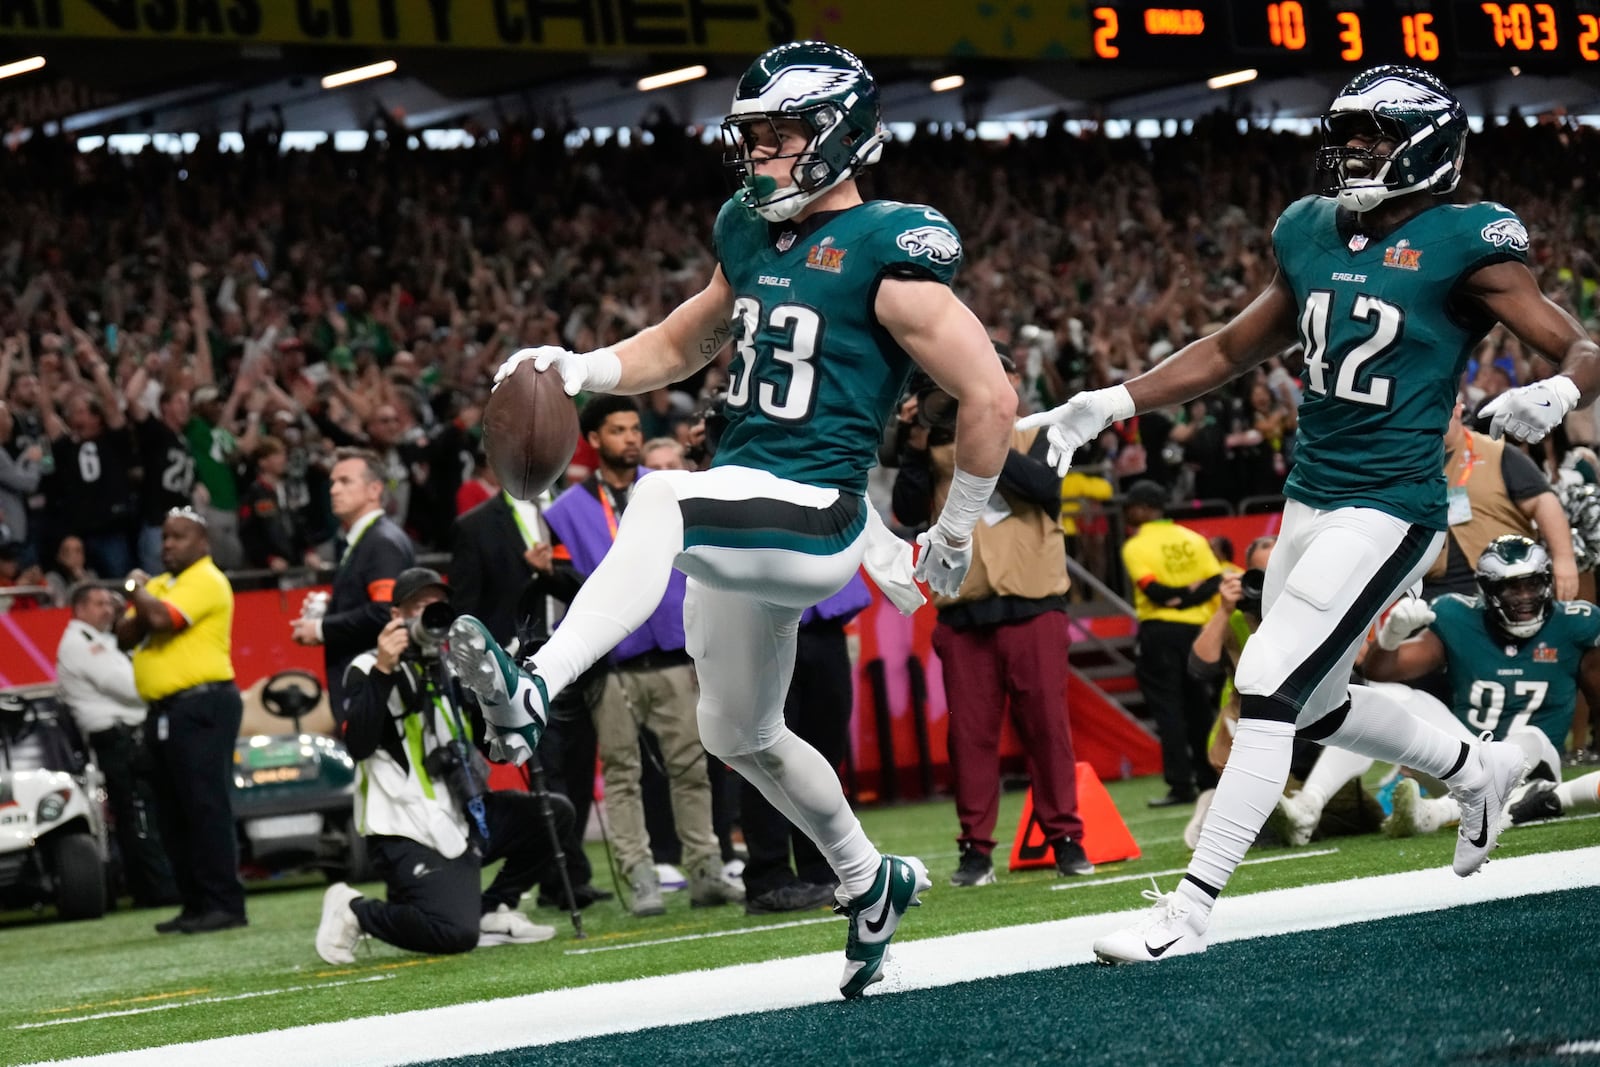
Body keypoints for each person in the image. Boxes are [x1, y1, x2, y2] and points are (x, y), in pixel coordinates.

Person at [445, 39, 1014, 998]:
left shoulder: (891, 242)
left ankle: (535, 684)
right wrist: (582, 370)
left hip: (816, 510)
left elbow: (990, 396)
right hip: (745, 505)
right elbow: (684, 337)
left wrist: (953, 531)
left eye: (783, 137)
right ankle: (869, 879)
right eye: (751, 137)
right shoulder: (748, 234)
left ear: (840, 136)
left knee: (660, 493)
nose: (760, 155)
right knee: (736, 731)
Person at [1020, 64, 1599, 964]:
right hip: (1309, 496)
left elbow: (1579, 339)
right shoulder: (1310, 226)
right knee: (1318, 708)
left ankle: (1190, 910)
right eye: (1351, 132)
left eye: (1375, 133)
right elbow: (1228, 348)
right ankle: (1477, 767)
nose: (1356, 149)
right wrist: (1112, 400)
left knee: (1268, 680)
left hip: (1393, 505)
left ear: (1426, 143)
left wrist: (1562, 388)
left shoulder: (1469, 239)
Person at [892, 347, 1092, 885]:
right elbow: (908, 512)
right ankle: (975, 852)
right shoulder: (936, 446)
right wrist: (915, 443)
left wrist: (983, 434)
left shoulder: (1045, 432)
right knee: (970, 740)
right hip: (963, 614)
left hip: (1033, 607)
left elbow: (1044, 487)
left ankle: (1067, 839)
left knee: (1047, 730)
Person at [541, 395, 741, 915]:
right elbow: (566, 588)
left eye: (634, 428)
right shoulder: (565, 512)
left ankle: (705, 869)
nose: (630, 437)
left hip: (674, 653)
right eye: (618, 430)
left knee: (691, 768)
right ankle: (641, 877)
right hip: (612, 664)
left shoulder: (667, 494)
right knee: (623, 776)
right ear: (594, 440)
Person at [315, 568, 565, 964]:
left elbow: (490, 749)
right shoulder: (367, 667)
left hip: (459, 813)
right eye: (420, 608)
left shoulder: (452, 668)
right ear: (396, 614)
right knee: (454, 932)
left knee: (554, 815)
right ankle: (354, 910)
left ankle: (493, 910)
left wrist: (494, 689)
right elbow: (358, 745)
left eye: (438, 608)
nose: (431, 617)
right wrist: (384, 670)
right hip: (402, 826)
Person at [1362, 535, 1600, 831]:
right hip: (1463, 766)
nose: (1525, 596)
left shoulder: (1576, 624)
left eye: (1532, 583)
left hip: (1533, 767)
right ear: (1489, 590)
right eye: (1512, 587)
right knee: (1382, 695)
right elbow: (1379, 672)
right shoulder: (1457, 616)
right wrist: (1390, 637)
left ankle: (1434, 813)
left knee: (1531, 737)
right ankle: (1311, 802)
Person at [116, 507, 246, 934]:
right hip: (167, 711)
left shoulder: (206, 579)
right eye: (165, 536)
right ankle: (194, 904)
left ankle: (225, 904)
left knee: (206, 807)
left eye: (179, 537)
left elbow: (158, 621)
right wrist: (144, 593)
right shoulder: (162, 585)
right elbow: (124, 635)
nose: (167, 544)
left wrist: (136, 589)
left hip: (203, 705)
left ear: (203, 543)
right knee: (172, 813)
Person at [55, 581, 177, 908]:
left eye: (110, 603)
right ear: (79, 609)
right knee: (138, 814)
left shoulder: (101, 641)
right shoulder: (80, 644)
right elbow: (130, 687)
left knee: (140, 812)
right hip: (116, 738)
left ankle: (153, 885)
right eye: (99, 604)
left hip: (126, 736)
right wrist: (165, 683)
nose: (108, 610)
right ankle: (156, 890)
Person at [1121, 478, 1223, 807]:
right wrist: (1191, 599)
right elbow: (1216, 581)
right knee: (1199, 709)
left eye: (1132, 506)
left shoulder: (1135, 546)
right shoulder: (1193, 538)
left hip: (1159, 633)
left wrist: (1175, 599)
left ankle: (1181, 785)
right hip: (1198, 633)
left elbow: (1154, 592)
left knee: (1169, 711)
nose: (1127, 512)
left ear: (1144, 508)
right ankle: (1210, 778)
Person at [290, 447, 414, 713]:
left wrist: (321, 628)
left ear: (374, 490)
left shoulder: (381, 542)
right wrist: (332, 605)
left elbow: (384, 612)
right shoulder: (366, 539)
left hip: (375, 689)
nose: (334, 490)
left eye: (345, 481)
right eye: (333, 482)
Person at [1423, 397, 1577, 600]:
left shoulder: (1497, 452)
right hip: (1432, 586)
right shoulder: (1407, 465)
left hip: (1508, 581)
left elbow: (1543, 502)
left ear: (1458, 410)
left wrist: (1564, 560)